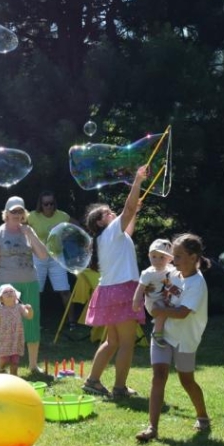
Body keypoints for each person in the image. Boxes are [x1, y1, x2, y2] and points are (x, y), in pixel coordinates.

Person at [80, 165, 148, 399]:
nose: (112, 213)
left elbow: (129, 224)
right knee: (127, 342)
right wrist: (137, 180)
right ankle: (119, 388)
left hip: (109, 291)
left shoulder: (108, 236)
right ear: (100, 222)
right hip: (122, 290)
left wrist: (134, 212)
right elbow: (127, 210)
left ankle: (93, 381)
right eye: (108, 212)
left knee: (113, 341)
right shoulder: (110, 231)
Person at [136, 233, 211, 442]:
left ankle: (203, 416)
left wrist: (159, 310)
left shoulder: (197, 283)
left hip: (186, 339)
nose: (173, 261)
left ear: (193, 257)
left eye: (177, 256)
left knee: (187, 381)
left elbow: (182, 313)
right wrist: (151, 291)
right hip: (164, 333)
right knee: (158, 376)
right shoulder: (174, 273)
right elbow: (158, 283)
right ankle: (152, 428)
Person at [0, 196, 49, 375]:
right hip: (6, 286)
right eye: (13, 211)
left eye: (20, 211)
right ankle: (2, 366)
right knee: (4, 326)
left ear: (24, 213)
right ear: (6, 213)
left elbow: (43, 255)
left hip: (30, 283)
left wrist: (29, 234)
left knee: (32, 321)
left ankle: (33, 365)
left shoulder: (29, 231)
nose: (17, 214)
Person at [26, 191, 76, 325]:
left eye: (51, 203)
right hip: (38, 256)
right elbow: (20, 228)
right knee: (36, 291)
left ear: (55, 204)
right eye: (45, 204)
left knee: (65, 290)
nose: (49, 206)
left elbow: (76, 226)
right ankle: (33, 321)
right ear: (40, 205)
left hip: (57, 257)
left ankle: (72, 322)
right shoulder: (32, 216)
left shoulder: (62, 216)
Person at [132, 239, 175, 349]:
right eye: (154, 256)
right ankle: (157, 333)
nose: (157, 260)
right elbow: (140, 288)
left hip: (167, 299)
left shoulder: (172, 270)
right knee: (161, 310)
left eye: (162, 257)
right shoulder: (148, 273)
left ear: (170, 259)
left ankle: (168, 333)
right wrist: (136, 302)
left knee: (170, 310)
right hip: (153, 302)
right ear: (149, 256)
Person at [0, 283, 34, 375]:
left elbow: (29, 316)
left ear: (16, 296)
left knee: (15, 361)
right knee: (3, 359)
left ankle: (14, 378)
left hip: (16, 338)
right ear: (1, 298)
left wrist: (30, 310)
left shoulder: (19, 307)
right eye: (5, 292)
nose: (9, 293)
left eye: (11, 291)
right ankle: (1, 370)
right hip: (4, 339)